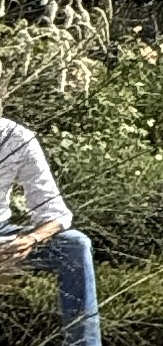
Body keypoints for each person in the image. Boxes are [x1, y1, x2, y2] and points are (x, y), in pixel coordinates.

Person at [0, 116, 99, 346]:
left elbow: (54, 212)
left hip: (3, 235)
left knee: (74, 245)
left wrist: (31, 240)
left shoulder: (16, 138)